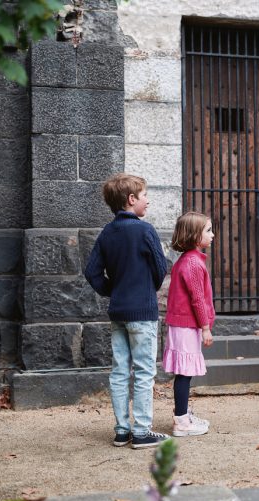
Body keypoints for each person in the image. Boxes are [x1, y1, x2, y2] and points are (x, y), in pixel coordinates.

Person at [84, 173, 170, 449]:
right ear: (131, 200)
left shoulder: (108, 232)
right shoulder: (145, 230)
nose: (148, 200)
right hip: (142, 312)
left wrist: (113, 290)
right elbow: (160, 268)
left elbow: (91, 271)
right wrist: (147, 288)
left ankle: (122, 430)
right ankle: (142, 431)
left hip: (118, 311)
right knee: (144, 371)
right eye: (145, 196)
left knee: (120, 371)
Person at [162, 211, 215, 437]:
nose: (213, 235)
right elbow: (197, 298)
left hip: (182, 325)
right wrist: (205, 328)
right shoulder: (192, 263)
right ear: (195, 236)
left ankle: (182, 414)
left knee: (184, 373)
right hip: (186, 326)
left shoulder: (188, 260)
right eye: (208, 231)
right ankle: (182, 422)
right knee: (184, 374)